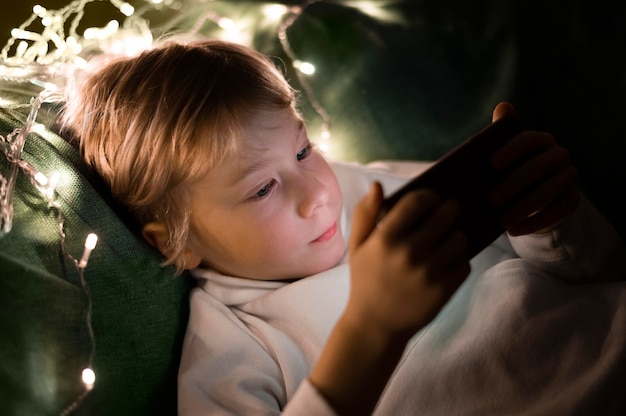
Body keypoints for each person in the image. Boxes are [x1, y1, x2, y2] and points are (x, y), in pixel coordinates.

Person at [61, 39, 626, 415]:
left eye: (304, 150)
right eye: (262, 188)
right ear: (177, 243)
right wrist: (372, 330)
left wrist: (551, 221)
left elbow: (594, 268)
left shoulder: (376, 188)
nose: (316, 196)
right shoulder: (235, 345)